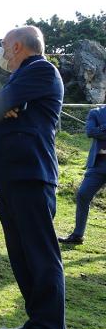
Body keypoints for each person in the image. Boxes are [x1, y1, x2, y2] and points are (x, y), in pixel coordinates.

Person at [0, 26, 65, 329]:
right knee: (21, 254)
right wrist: (1, 109)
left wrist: (2, 109)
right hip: (11, 175)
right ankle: (35, 322)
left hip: (32, 174)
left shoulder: (40, 69)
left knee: (41, 255)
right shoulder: (20, 78)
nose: (1, 52)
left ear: (16, 47)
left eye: (3, 46)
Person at [58, 105, 106, 245]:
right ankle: (78, 235)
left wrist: (101, 128)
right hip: (98, 164)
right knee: (83, 194)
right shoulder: (96, 112)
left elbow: (96, 131)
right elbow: (90, 132)